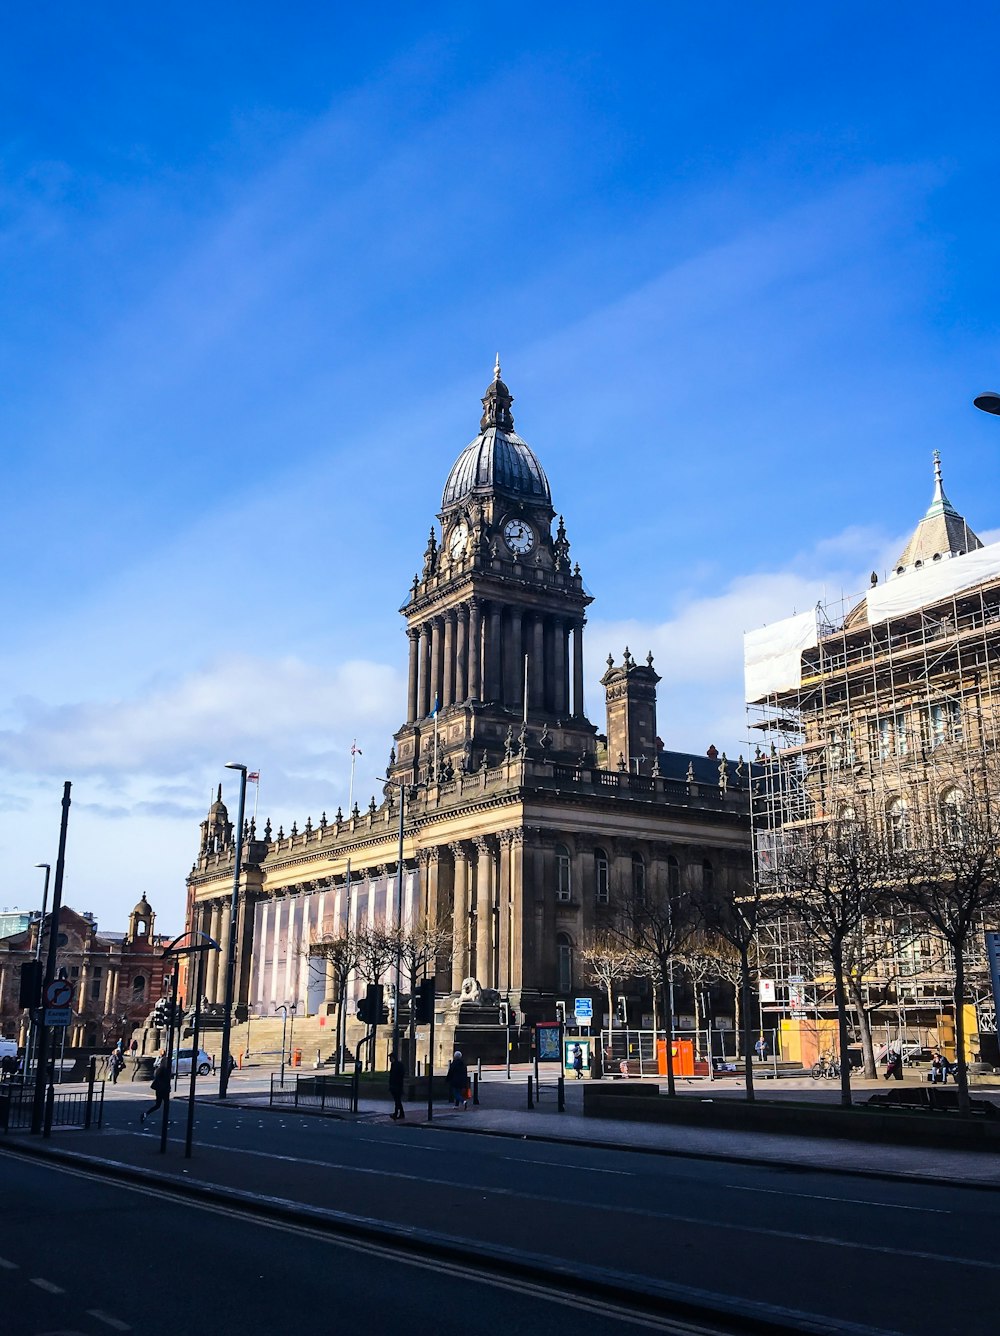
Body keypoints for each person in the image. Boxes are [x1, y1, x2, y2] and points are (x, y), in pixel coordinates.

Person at [141, 1049, 172, 1125]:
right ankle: (166, 1120)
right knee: (166, 1105)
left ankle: (146, 1114)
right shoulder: (164, 1070)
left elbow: (157, 1077)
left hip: (159, 1089)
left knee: (158, 1105)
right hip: (163, 1089)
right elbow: (164, 1079)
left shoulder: (160, 1069)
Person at [388, 1055, 406, 1120]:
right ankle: (401, 1114)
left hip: (397, 1086)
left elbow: (398, 1076)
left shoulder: (397, 1065)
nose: (390, 1059)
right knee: (397, 1101)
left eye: (390, 1058)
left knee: (397, 1101)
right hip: (395, 1086)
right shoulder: (394, 1065)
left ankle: (396, 1114)